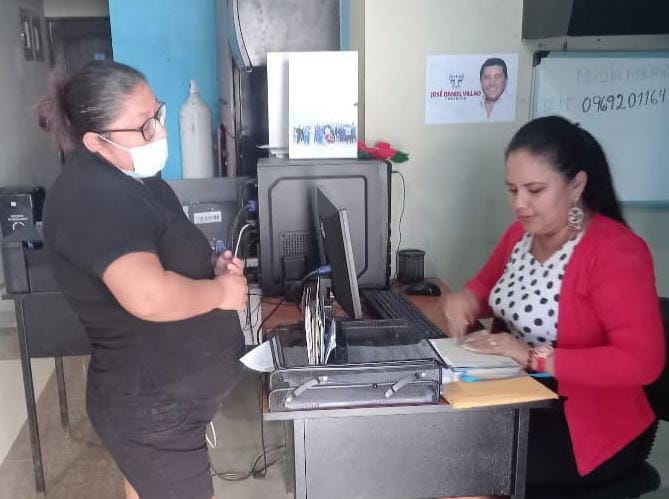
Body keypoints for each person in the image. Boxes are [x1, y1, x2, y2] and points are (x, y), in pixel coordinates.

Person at [36, 61, 248, 499]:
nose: (159, 132)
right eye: (144, 125)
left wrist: (210, 268)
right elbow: (148, 296)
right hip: (153, 409)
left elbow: (160, 252)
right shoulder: (90, 197)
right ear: (95, 141)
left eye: (158, 115)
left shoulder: (134, 177)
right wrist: (219, 292)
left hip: (163, 403)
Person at [442, 116, 664, 495]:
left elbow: (642, 362)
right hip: (521, 393)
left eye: (535, 190)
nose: (519, 204)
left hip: (587, 425)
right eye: (512, 190)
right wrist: (465, 300)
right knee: (427, 433)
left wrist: (533, 357)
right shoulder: (521, 234)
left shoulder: (616, 252)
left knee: (454, 465)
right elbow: (484, 287)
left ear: (576, 186)